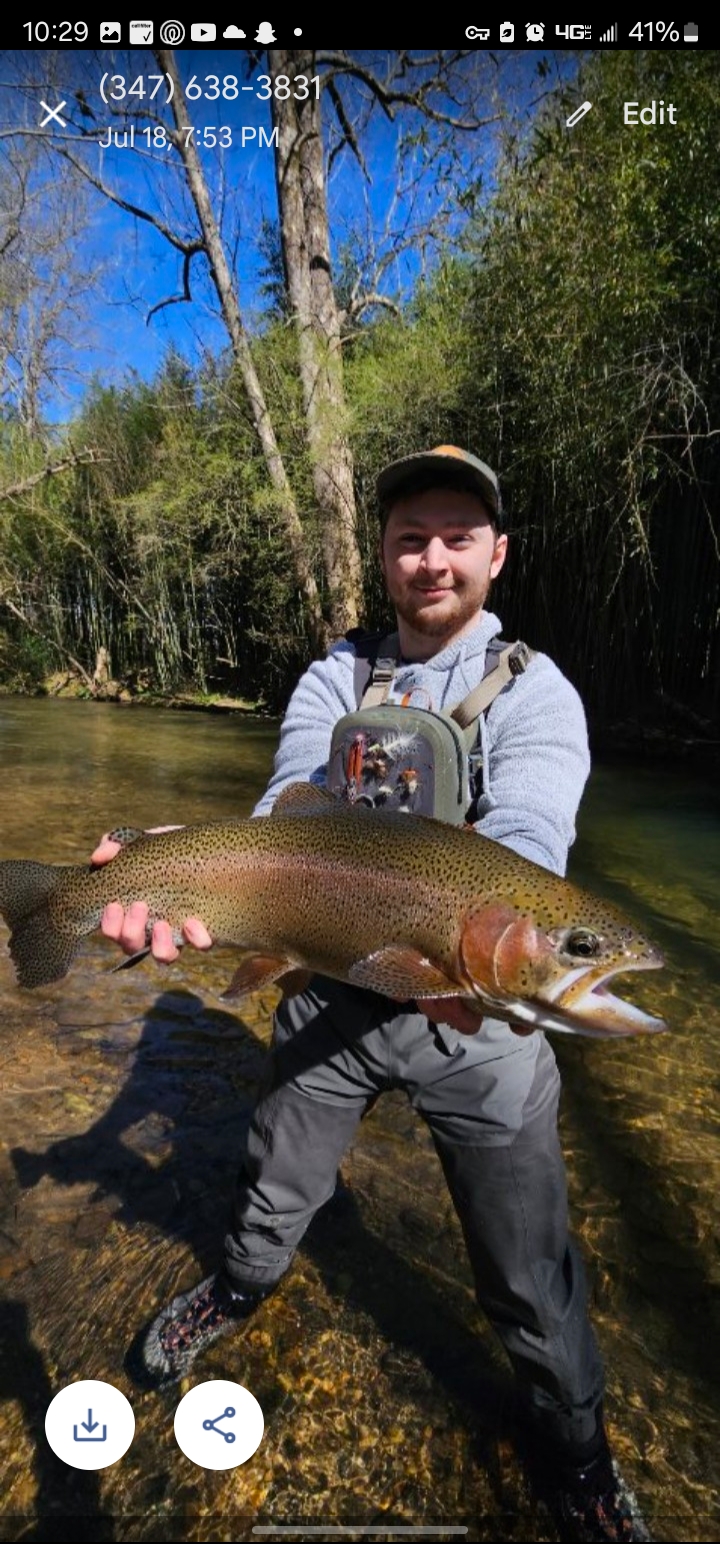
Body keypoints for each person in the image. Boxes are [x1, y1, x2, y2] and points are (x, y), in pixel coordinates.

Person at [93, 446, 650, 1544]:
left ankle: (575, 1449)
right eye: (409, 538)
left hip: (483, 1024)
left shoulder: (539, 692)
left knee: (530, 1264)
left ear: (496, 552)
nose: (432, 559)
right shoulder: (330, 677)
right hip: (328, 994)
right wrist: (188, 861)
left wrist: (512, 959)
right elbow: (288, 808)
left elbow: (531, 842)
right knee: (275, 1177)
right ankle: (242, 1285)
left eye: (456, 536)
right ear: (383, 554)